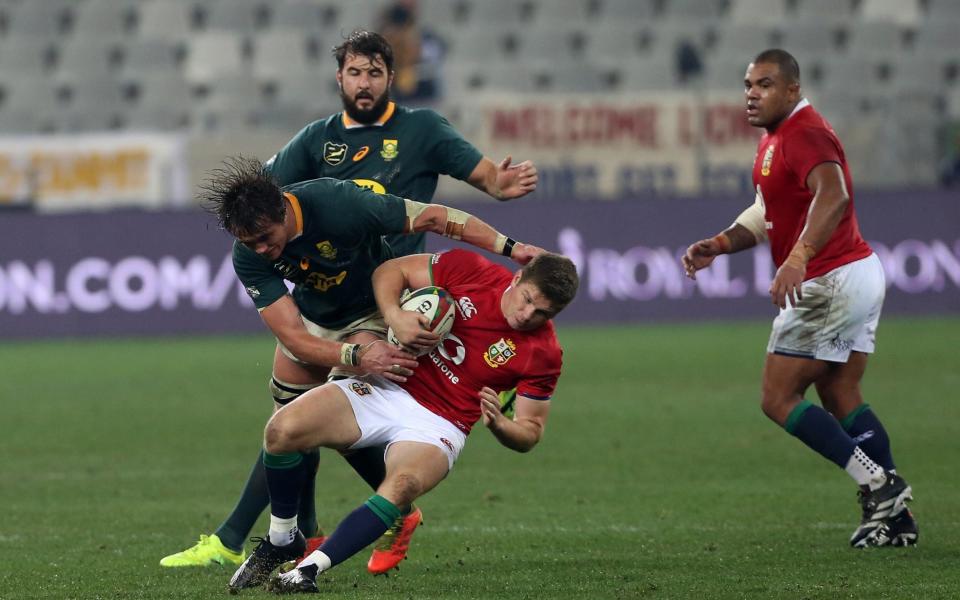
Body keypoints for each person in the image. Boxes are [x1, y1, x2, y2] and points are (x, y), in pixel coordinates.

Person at [161, 29, 539, 572]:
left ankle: (377, 505)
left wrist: (502, 210)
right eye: (354, 72)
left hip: (389, 291)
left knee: (349, 412)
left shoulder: (414, 137)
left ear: (391, 76)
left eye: (374, 72)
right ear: (338, 77)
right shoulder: (312, 145)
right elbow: (257, 196)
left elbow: (459, 200)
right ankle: (292, 534)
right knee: (289, 427)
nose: (364, 83)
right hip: (319, 305)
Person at [225, 248, 579, 593]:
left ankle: (307, 570)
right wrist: (394, 315)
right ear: (517, 279)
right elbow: (390, 271)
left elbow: (531, 431)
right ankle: (283, 539)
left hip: (441, 422)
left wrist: (502, 426)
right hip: (385, 386)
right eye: (527, 299)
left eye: (542, 313)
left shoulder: (544, 354)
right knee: (282, 430)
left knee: (403, 484)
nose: (527, 314)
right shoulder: (471, 271)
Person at [681, 49, 917, 548]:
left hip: (830, 278)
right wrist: (721, 244)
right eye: (748, 84)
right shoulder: (776, 139)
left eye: (764, 84)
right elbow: (768, 208)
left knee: (778, 397)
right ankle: (894, 521)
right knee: (839, 393)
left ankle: (878, 484)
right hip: (857, 271)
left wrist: (799, 256)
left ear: (792, 90)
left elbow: (833, 194)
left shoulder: (804, 132)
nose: (751, 93)